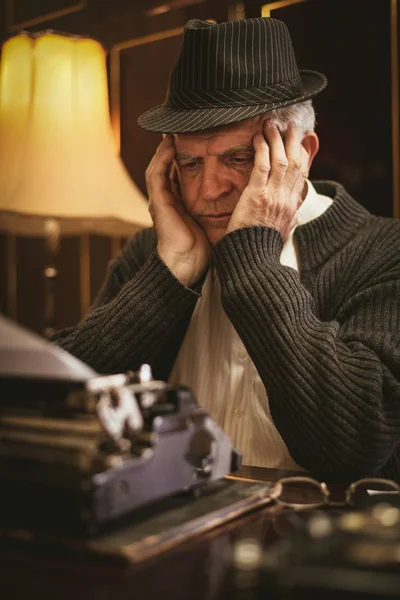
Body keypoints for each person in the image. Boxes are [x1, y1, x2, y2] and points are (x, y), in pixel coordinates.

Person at [53, 17, 400, 481]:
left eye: (237, 158)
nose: (208, 190)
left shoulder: (383, 250)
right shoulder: (149, 252)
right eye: (190, 163)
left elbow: (352, 447)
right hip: (166, 536)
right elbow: (66, 408)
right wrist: (170, 271)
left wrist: (253, 260)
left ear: (301, 154)